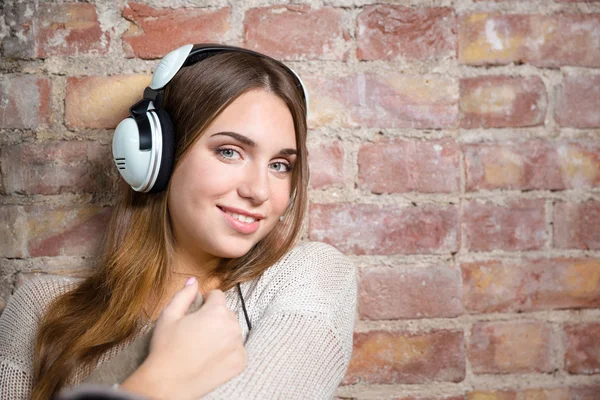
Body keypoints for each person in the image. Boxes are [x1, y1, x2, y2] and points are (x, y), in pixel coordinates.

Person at [0, 43, 357, 400]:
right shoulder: (41, 309)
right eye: (229, 152)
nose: (259, 191)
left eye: (280, 165)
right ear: (158, 155)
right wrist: (161, 379)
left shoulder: (310, 277)